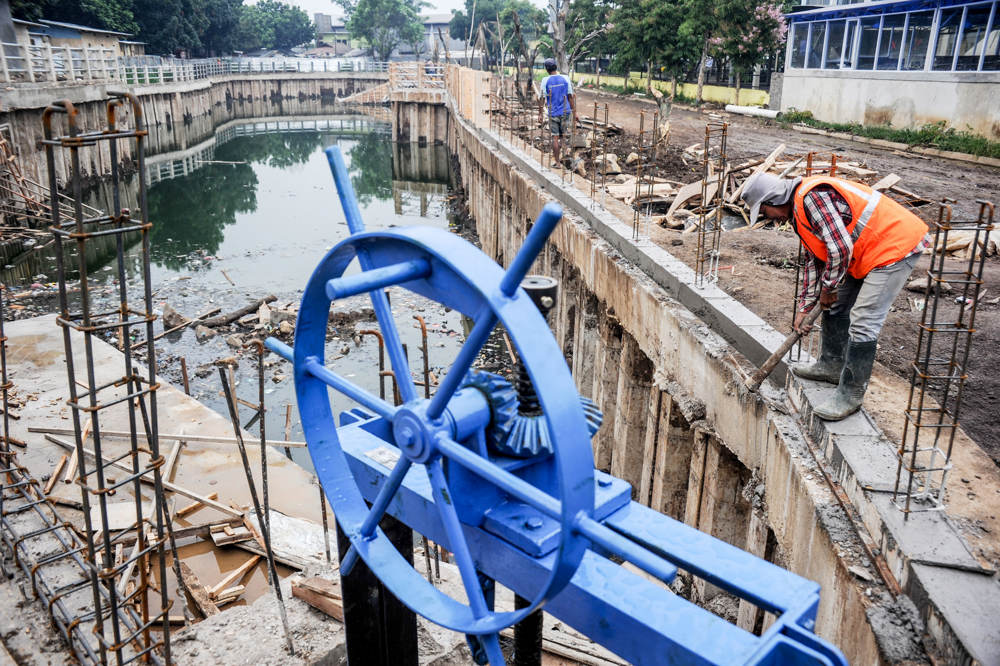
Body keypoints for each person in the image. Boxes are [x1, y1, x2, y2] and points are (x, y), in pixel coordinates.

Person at [741, 172, 929, 420]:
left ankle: (850, 394)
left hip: (893, 246)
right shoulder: (798, 214)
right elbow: (814, 260)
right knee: (837, 307)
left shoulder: (812, 199)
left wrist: (828, 289)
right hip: (863, 250)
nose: (769, 218)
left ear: (773, 200)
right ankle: (831, 365)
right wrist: (805, 308)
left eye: (765, 212)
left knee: (864, 321)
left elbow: (840, 248)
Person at [537, 58, 577, 167]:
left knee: (555, 137)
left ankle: (558, 163)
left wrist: (540, 113)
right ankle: (566, 160)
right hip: (566, 112)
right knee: (563, 136)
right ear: (556, 67)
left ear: (547, 69)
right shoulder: (565, 78)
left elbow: (541, 98)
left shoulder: (545, 80)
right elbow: (570, 97)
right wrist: (575, 113)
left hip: (553, 113)